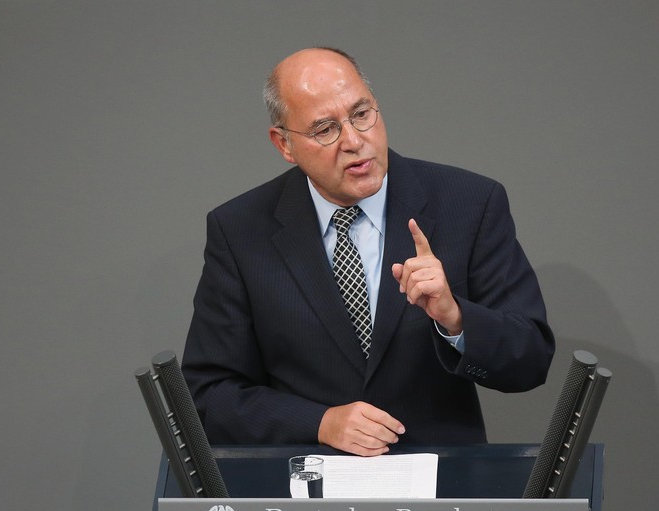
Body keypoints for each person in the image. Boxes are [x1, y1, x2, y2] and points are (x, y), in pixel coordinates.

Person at [182, 47, 554, 457]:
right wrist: (319, 423)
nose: (355, 141)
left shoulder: (469, 204)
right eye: (325, 129)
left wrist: (455, 318)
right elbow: (209, 395)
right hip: (305, 503)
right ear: (284, 144)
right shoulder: (239, 230)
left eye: (361, 115)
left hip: (441, 497)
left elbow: (530, 359)